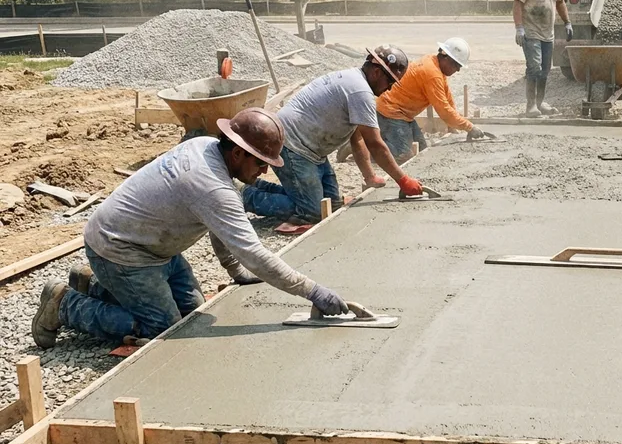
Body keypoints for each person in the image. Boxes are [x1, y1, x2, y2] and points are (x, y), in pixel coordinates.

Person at [31, 108, 362, 349]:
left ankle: (92, 284)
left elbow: (217, 219)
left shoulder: (206, 146)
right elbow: (254, 252)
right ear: (237, 152)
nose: (264, 170)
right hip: (121, 251)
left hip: (152, 245)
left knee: (194, 311)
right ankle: (63, 303)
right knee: (165, 329)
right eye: (260, 162)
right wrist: (313, 292)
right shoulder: (211, 186)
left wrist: (234, 269)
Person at [242, 45, 424, 224]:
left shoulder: (354, 81)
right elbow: (375, 144)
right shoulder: (360, 91)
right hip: (291, 145)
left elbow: (357, 137)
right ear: (377, 72)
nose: (390, 88)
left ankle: (256, 187)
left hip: (311, 148)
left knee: (331, 204)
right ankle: (243, 197)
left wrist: (369, 175)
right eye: (390, 82)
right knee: (313, 212)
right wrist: (403, 180)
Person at [356, 38, 485, 166]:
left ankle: (381, 141)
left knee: (423, 150)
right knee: (403, 156)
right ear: (447, 59)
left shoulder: (435, 64)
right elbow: (443, 110)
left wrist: (453, 126)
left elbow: (447, 97)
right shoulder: (432, 73)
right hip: (390, 111)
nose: (458, 70)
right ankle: (362, 147)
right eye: (457, 65)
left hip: (404, 114)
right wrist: (469, 127)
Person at [513, 0, 573, 118]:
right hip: (531, 32)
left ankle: (540, 102)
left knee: (545, 69)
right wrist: (519, 28)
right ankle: (530, 105)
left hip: (548, 33)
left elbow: (560, 1)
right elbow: (517, 5)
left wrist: (567, 22)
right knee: (534, 67)